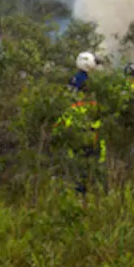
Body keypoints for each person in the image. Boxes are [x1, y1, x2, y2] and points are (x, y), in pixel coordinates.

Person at [54, 52, 104, 197]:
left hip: (72, 127)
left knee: (76, 162)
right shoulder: (88, 83)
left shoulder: (72, 81)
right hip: (87, 128)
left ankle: (77, 191)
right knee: (91, 161)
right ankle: (86, 192)